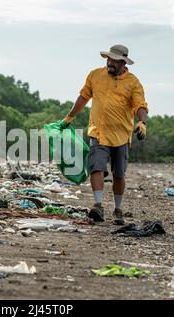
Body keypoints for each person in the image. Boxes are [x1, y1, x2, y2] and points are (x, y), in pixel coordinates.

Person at [61, 44, 148, 225]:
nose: (110, 62)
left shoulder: (133, 82)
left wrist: (142, 121)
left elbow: (140, 104)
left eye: (115, 60)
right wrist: (69, 117)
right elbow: (83, 97)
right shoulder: (95, 75)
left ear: (123, 63)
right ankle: (98, 205)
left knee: (119, 175)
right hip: (98, 132)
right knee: (97, 166)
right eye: (109, 59)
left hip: (121, 135)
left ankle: (117, 208)